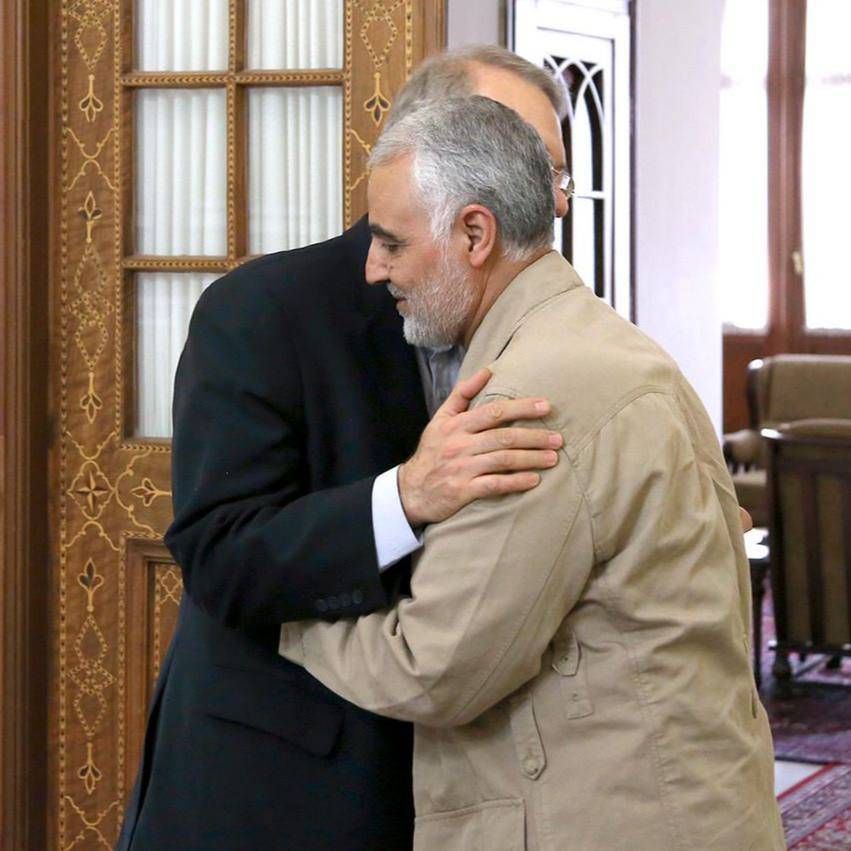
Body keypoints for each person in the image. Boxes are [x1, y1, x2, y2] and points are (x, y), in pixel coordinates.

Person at [278, 96, 787, 850]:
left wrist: (281, 618)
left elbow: (434, 666)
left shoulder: (528, 396)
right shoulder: (601, 341)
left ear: (474, 233)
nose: (372, 267)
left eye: (390, 241)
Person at [117, 46, 574, 851]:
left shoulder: (549, 323)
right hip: (275, 787)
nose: (555, 199)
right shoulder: (262, 310)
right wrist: (404, 497)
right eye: (525, 158)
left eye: (556, 171)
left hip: (467, 781)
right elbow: (221, 556)